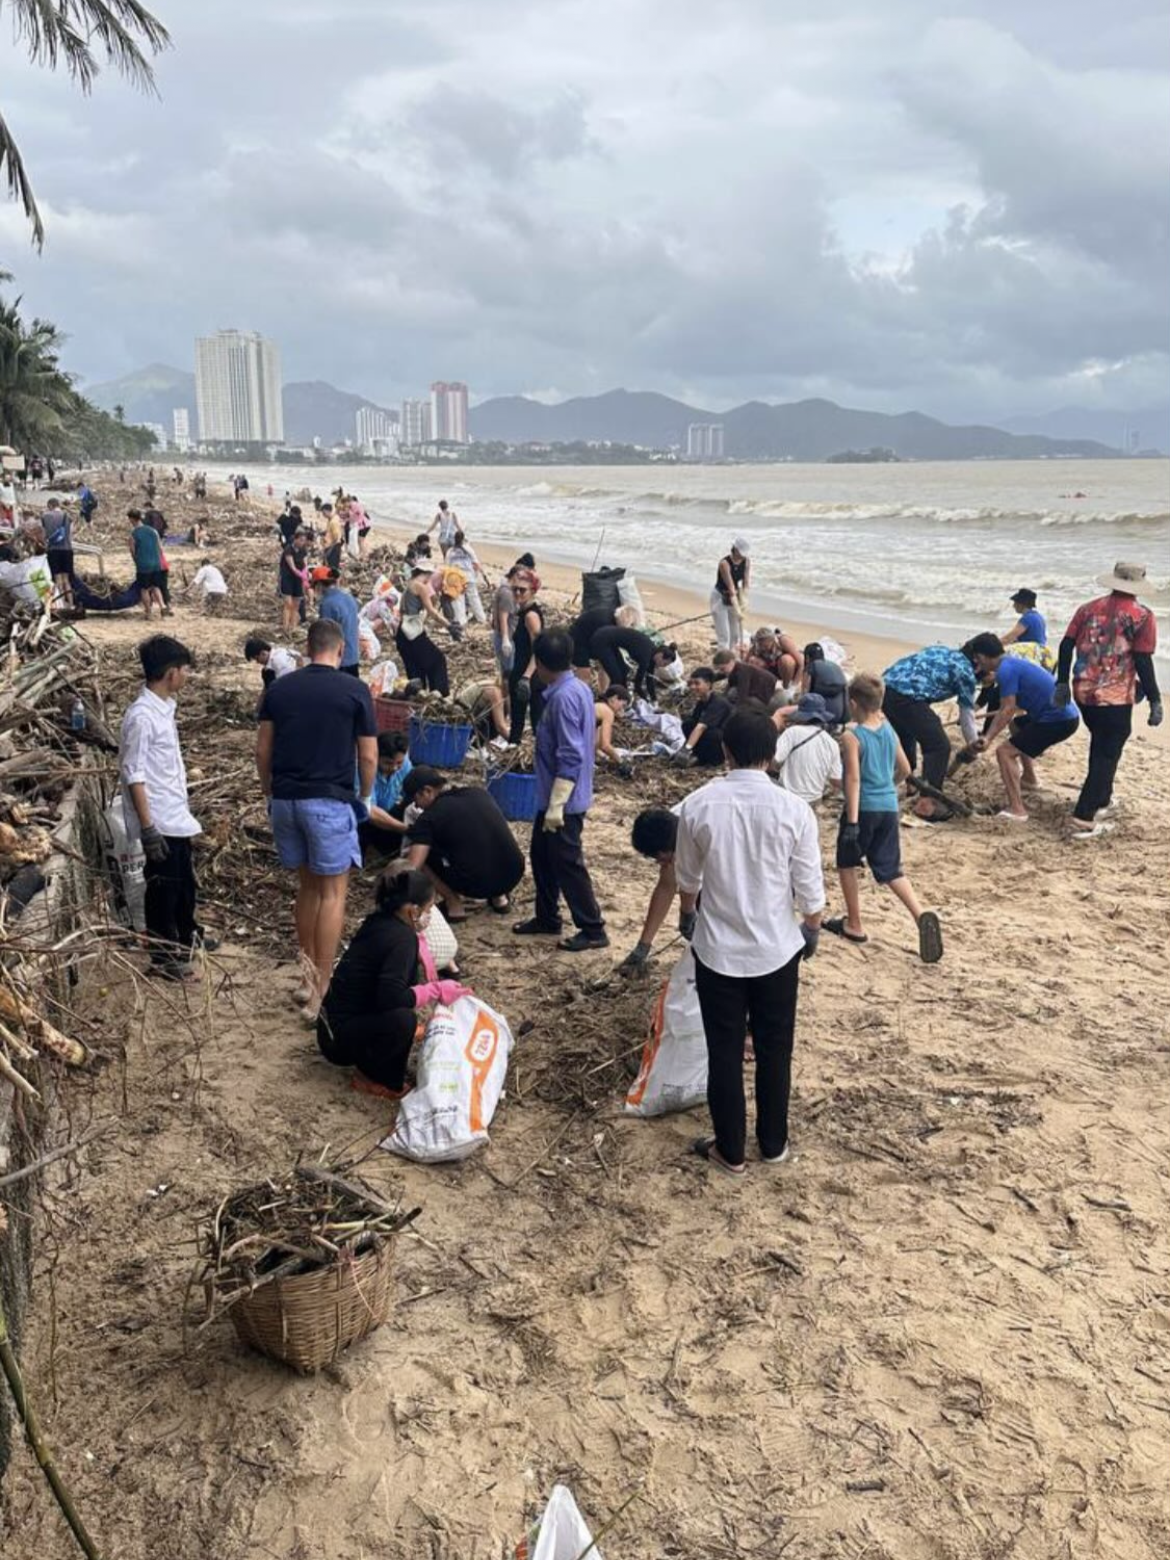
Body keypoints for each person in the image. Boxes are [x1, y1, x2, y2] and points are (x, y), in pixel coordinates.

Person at [675, 708, 825, 1176]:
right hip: (777, 949)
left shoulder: (698, 804)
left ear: (725, 750)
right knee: (775, 1049)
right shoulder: (794, 808)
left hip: (718, 949)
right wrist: (812, 930)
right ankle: (773, 1143)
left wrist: (687, 917)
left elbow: (687, 880)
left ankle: (731, 1150)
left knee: (724, 1051)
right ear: (773, 753)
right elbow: (810, 889)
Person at [256, 618, 377, 1019]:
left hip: (287, 800)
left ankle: (307, 978)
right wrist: (364, 795)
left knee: (307, 889)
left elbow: (263, 750)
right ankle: (322, 989)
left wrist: (269, 791)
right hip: (328, 801)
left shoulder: (280, 688)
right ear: (340, 650)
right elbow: (369, 755)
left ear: (308, 648)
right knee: (332, 894)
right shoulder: (355, 690)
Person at [318, 867, 469, 1100]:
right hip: (340, 1042)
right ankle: (375, 1077)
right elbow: (391, 997)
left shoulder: (380, 921)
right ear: (412, 910)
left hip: (333, 1024)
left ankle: (379, 1039)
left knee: (403, 1014)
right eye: (429, 909)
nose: (430, 915)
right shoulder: (401, 939)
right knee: (403, 1021)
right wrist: (434, 990)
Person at [826, 673, 943, 961]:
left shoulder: (852, 736)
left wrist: (852, 821)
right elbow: (905, 769)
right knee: (890, 867)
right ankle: (919, 914)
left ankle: (854, 924)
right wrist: (888, 786)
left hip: (863, 807)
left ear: (853, 703)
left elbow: (852, 779)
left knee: (846, 862)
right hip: (889, 807)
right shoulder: (889, 730)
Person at [119, 635, 214, 980]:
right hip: (159, 819)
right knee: (163, 888)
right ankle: (163, 957)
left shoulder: (164, 708)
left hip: (176, 814)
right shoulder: (141, 717)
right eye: (185, 669)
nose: (187, 675)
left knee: (184, 883)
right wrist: (147, 828)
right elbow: (134, 773)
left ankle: (188, 936)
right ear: (170, 673)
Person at [512, 627, 608, 951]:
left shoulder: (564, 698)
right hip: (553, 795)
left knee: (568, 861)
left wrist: (557, 804)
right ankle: (547, 917)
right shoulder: (578, 687)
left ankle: (593, 928)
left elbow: (570, 752)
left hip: (563, 799)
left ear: (540, 663)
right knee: (541, 855)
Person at [1057, 561, 1162, 840]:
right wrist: (1154, 699)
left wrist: (1061, 682)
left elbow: (1066, 644)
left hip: (1083, 691)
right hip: (1114, 696)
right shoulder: (1142, 616)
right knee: (1108, 751)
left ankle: (1102, 799)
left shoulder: (1088, 608)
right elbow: (1142, 659)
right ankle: (1083, 816)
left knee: (1101, 742)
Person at [968, 641, 1080, 821]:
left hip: (1058, 720)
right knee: (1017, 726)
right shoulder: (1011, 664)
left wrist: (988, 738)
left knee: (1004, 752)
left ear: (983, 657)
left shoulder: (1005, 671)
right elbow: (1014, 707)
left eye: (977, 659)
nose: (977, 663)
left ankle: (1017, 809)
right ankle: (1030, 779)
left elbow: (1007, 710)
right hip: (1066, 715)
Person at [881, 638, 989, 817]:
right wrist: (973, 742)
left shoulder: (943, 651)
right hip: (906, 697)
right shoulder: (966, 672)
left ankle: (911, 785)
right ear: (980, 661)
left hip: (886, 688)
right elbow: (967, 715)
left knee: (908, 732)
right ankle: (927, 803)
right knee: (938, 746)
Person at [404, 766, 525, 919]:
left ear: (427, 791)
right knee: (485, 840)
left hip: (476, 886)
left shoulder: (428, 818)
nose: (417, 807)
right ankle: (499, 899)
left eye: (416, 801)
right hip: (513, 873)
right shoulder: (478, 792)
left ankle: (453, 905)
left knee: (421, 856)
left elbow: (414, 866)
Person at [618, 808, 680, 977]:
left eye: (659, 856)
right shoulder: (668, 829)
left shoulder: (703, 836)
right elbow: (667, 886)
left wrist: (688, 912)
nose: (659, 862)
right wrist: (643, 946)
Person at [772, 693, 843, 805]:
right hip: (814, 801)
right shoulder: (832, 743)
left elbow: (775, 760)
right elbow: (836, 779)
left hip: (789, 798)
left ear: (801, 715)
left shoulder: (792, 732)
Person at [396, 564, 451, 695]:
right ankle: (438, 694)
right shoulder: (420, 586)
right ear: (426, 573)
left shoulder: (409, 583)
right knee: (437, 660)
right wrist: (449, 626)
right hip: (413, 632)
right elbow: (432, 611)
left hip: (402, 632)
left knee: (415, 668)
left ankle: (417, 696)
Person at [507, 571, 546, 744]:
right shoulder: (521, 613)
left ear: (533, 591)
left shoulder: (531, 616)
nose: (517, 593)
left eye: (522, 590)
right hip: (521, 670)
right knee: (518, 719)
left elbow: (537, 649)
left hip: (529, 674)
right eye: (514, 589)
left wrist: (526, 677)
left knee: (535, 721)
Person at [360, 731, 412, 854]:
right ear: (376, 756)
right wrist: (405, 829)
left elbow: (411, 790)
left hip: (388, 813)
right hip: (368, 819)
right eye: (388, 763)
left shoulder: (405, 765)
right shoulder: (365, 771)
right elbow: (370, 810)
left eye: (399, 763)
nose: (394, 768)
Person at [589, 610, 657, 697]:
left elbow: (648, 677)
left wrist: (653, 698)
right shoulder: (646, 656)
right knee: (616, 677)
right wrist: (644, 696)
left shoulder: (650, 653)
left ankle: (619, 698)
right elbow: (638, 683)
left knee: (624, 670)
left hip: (609, 642)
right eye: (632, 625)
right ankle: (609, 699)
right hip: (601, 641)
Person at [675, 667, 733, 767]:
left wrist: (687, 748)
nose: (693, 687)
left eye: (697, 683)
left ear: (708, 684)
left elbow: (701, 727)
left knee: (713, 734)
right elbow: (694, 722)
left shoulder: (718, 702)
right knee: (688, 724)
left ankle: (714, 761)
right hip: (713, 737)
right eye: (691, 684)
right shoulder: (702, 702)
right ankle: (698, 756)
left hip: (728, 742)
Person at [311, 567, 361, 676]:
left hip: (338, 660)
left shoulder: (327, 604)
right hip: (353, 655)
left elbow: (325, 635)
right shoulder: (349, 598)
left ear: (319, 585)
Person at [710, 538, 750, 652]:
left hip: (735, 597)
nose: (742, 556)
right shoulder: (724, 563)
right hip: (720, 597)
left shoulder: (746, 561)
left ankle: (731, 657)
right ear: (735, 549)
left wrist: (744, 601)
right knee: (724, 636)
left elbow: (746, 583)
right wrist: (737, 608)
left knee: (735, 634)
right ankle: (722, 658)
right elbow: (731, 587)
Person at [128, 507, 166, 621]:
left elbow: (132, 551)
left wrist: (137, 562)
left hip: (144, 565)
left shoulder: (134, 534)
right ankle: (162, 606)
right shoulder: (153, 531)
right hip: (156, 563)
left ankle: (148, 613)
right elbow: (160, 548)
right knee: (156, 586)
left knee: (144, 589)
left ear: (132, 519)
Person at [454, 676, 511, 747]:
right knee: (495, 722)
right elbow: (500, 727)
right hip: (462, 721)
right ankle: (475, 746)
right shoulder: (495, 693)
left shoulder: (495, 686)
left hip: (470, 715)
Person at [800, 643, 848, 726]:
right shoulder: (836, 666)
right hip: (842, 717)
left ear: (807, 658)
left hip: (822, 718)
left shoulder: (811, 667)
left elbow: (804, 693)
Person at [445, 531, 488, 624]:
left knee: (458, 599)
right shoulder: (469, 549)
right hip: (469, 576)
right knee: (474, 598)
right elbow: (476, 564)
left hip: (455, 577)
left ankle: (461, 620)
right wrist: (476, 575)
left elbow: (447, 566)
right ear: (463, 539)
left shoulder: (450, 551)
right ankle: (481, 618)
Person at [712, 648, 776, 707]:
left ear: (731, 662)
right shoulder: (734, 668)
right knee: (729, 693)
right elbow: (717, 676)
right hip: (757, 692)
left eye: (722, 669)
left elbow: (742, 697)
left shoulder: (743, 672)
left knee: (732, 694)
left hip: (766, 698)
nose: (721, 671)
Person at [569, 602, 616, 679]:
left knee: (605, 667)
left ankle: (604, 691)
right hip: (578, 640)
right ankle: (581, 689)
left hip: (589, 636)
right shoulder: (607, 625)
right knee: (584, 672)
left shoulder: (612, 616)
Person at [493, 564, 522, 683]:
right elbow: (503, 617)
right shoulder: (507, 593)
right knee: (508, 672)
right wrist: (506, 639)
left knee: (505, 670)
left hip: (502, 635)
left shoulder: (507, 590)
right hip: (505, 636)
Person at [595, 685, 634, 771]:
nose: (622, 710)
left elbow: (594, 745)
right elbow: (605, 745)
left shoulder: (598, 706)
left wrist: (605, 757)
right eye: (623, 705)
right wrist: (621, 762)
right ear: (614, 698)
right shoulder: (607, 712)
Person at [279, 527, 310, 634]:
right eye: (301, 540)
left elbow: (305, 564)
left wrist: (306, 574)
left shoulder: (303, 550)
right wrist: (301, 575)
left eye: (304, 540)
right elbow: (292, 567)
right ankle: (285, 627)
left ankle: (293, 627)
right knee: (288, 603)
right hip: (288, 577)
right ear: (295, 539)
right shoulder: (288, 549)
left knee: (296, 604)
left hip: (298, 579)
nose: (302, 542)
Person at [44, 499, 74, 610]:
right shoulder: (67, 516)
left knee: (57, 579)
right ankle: (71, 604)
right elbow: (71, 534)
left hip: (53, 550)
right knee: (66, 579)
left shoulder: (45, 516)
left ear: (50, 505)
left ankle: (61, 605)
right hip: (67, 549)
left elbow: (44, 534)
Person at [320, 504, 344, 571]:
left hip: (333, 547)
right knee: (328, 567)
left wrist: (329, 550)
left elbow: (336, 538)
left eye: (324, 513)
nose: (323, 515)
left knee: (331, 567)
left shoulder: (333, 522)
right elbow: (331, 531)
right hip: (330, 545)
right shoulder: (332, 519)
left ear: (328, 511)